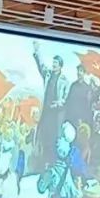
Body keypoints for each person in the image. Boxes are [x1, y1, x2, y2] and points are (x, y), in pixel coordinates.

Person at [33, 44, 69, 172]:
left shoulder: (64, 80)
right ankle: (44, 164)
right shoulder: (48, 74)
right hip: (46, 112)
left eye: (56, 63)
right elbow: (41, 66)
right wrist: (37, 52)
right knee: (44, 136)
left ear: (60, 66)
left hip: (56, 115)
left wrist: (58, 104)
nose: (53, 65)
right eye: (53, 62)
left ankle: (53, 164)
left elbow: (65, 99)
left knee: (54, 138)